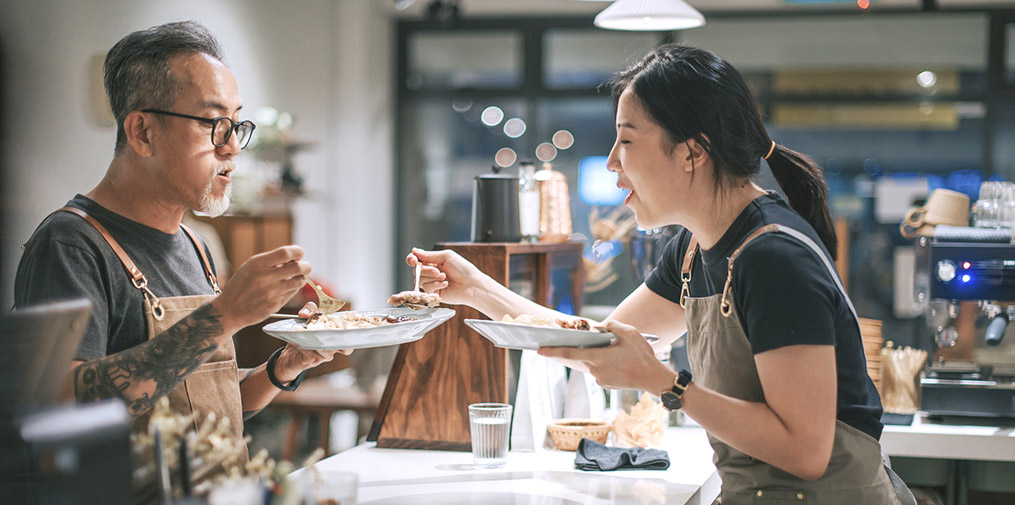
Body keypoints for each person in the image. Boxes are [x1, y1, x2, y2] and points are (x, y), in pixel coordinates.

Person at [407, 44, 913, 505]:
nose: (610, 162)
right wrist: (475, 288)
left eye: (626, 141)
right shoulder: (693, 250)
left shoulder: (773, 257)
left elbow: (806, 452)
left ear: (693, 152)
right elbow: (601, 345)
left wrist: (668, 385)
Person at [14, 21, 343, 453]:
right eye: (213, 123)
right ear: (143, 133)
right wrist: (224, 315)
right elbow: (61, 405)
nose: (232, 147)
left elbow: (209, 406)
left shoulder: (197, 245)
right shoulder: (71, 244)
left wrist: (283, 366)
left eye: (236, 125)